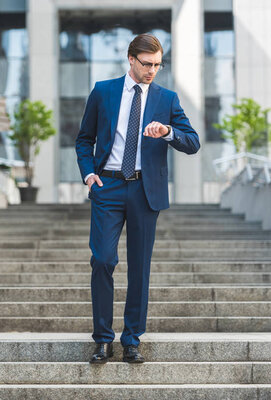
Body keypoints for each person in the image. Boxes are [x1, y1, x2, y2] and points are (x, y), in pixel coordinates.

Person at [75, 33, 200, 364]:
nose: (152, 71)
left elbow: (193, 141)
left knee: (139, 269)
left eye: (158, 65)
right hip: (109, 187)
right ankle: (103, 339)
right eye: (147, 64)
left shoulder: (167, 98)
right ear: (130, 59)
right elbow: (84, 139)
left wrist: (168, 132)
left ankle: (132, 339)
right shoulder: (103, 91)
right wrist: (90, 175)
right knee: (102, 260)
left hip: (146, 191)